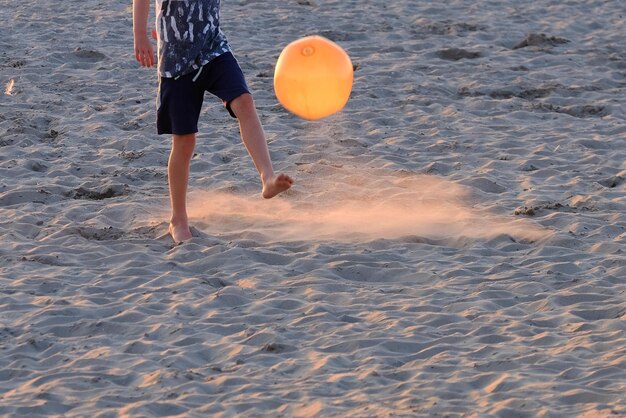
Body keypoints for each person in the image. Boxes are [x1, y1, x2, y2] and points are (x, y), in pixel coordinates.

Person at [132, 0, 293, 243]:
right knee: (184, 142)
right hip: (177, 60)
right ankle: (178, 218)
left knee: (245, 103)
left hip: (214, 48)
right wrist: (140, 35)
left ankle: (267, 178)